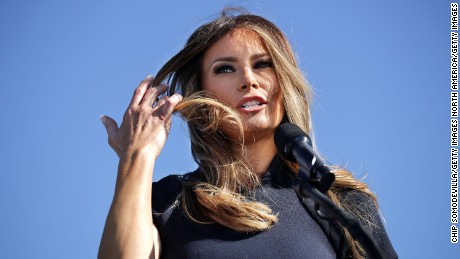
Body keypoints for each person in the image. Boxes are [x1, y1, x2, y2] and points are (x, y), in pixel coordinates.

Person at [98, 8, 397, 259]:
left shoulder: (340, 201)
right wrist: (138, 155)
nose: (249, 80)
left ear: (285, 82)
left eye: (263, 64)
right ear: (203, 94)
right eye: (225, 69)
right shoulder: (167, 201)